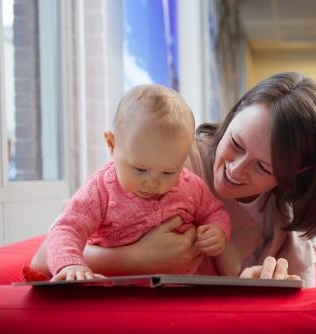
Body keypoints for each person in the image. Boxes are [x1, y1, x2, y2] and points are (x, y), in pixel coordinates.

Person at [32, 72, 316, 287]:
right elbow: (46, 258)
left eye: (262, 168)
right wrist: (134, 259)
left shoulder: (289, 217)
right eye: (235, 144)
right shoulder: (171, 160)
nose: (235, 170)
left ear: (293, 177)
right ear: (234, 114)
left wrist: (256, 291)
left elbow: (302, 314)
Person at [42, 84, 230, 281]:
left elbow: (214, 211)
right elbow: (67, 228)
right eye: (141, 169)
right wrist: (71, 264)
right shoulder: (100, 190)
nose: (153, 182)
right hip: (116, 292)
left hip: (173, 293)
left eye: (168, 172)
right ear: (112, 145)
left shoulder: (190, 186)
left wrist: (218, 231)